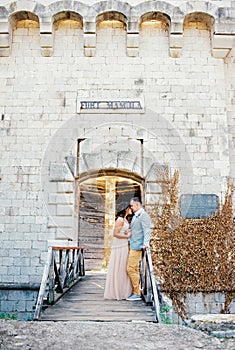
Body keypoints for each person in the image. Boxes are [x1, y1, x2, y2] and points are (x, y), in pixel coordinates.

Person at [104, 204, 133, 300]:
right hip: (120, 244)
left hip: (124, 244)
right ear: (126, 208)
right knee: (119, 266)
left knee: (123, 267)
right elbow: (115, 234)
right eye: (130, 207)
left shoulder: (125, 219)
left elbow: (121, 231)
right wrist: (127, 236)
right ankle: (117, 291)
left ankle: (123, 290)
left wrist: (126, 232)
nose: (131, 209)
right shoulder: (120, 220)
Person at [126, 197, 151, 301]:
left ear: (137, 205)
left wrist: (146, 244)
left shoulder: (144, 216)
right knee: (134, 269)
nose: (131, 207)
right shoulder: (136, 216)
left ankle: (136, 292)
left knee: (130, 268)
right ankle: (137, 291)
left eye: (132, 205)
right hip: (132, 245)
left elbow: (147, 231)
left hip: (137, 247)